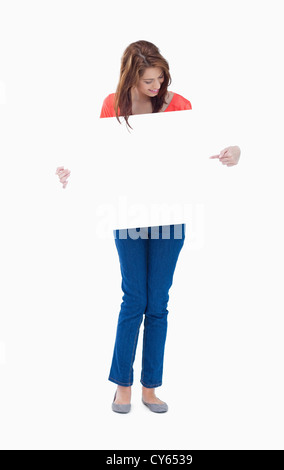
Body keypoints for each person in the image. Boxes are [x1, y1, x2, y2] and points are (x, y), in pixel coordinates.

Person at [55, 40, 241, 413]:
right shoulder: (113, 105)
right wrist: (73, 170)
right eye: (148, 81)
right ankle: (122, 384)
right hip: (126, 212)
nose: (157, 87)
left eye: (160, 78)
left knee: (158, 302)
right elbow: (102, 154)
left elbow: (201, 150)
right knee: (134, 298)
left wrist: (231, 153)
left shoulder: (180, 104)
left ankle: (150, 387)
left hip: (170, 213)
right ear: (131, 78)